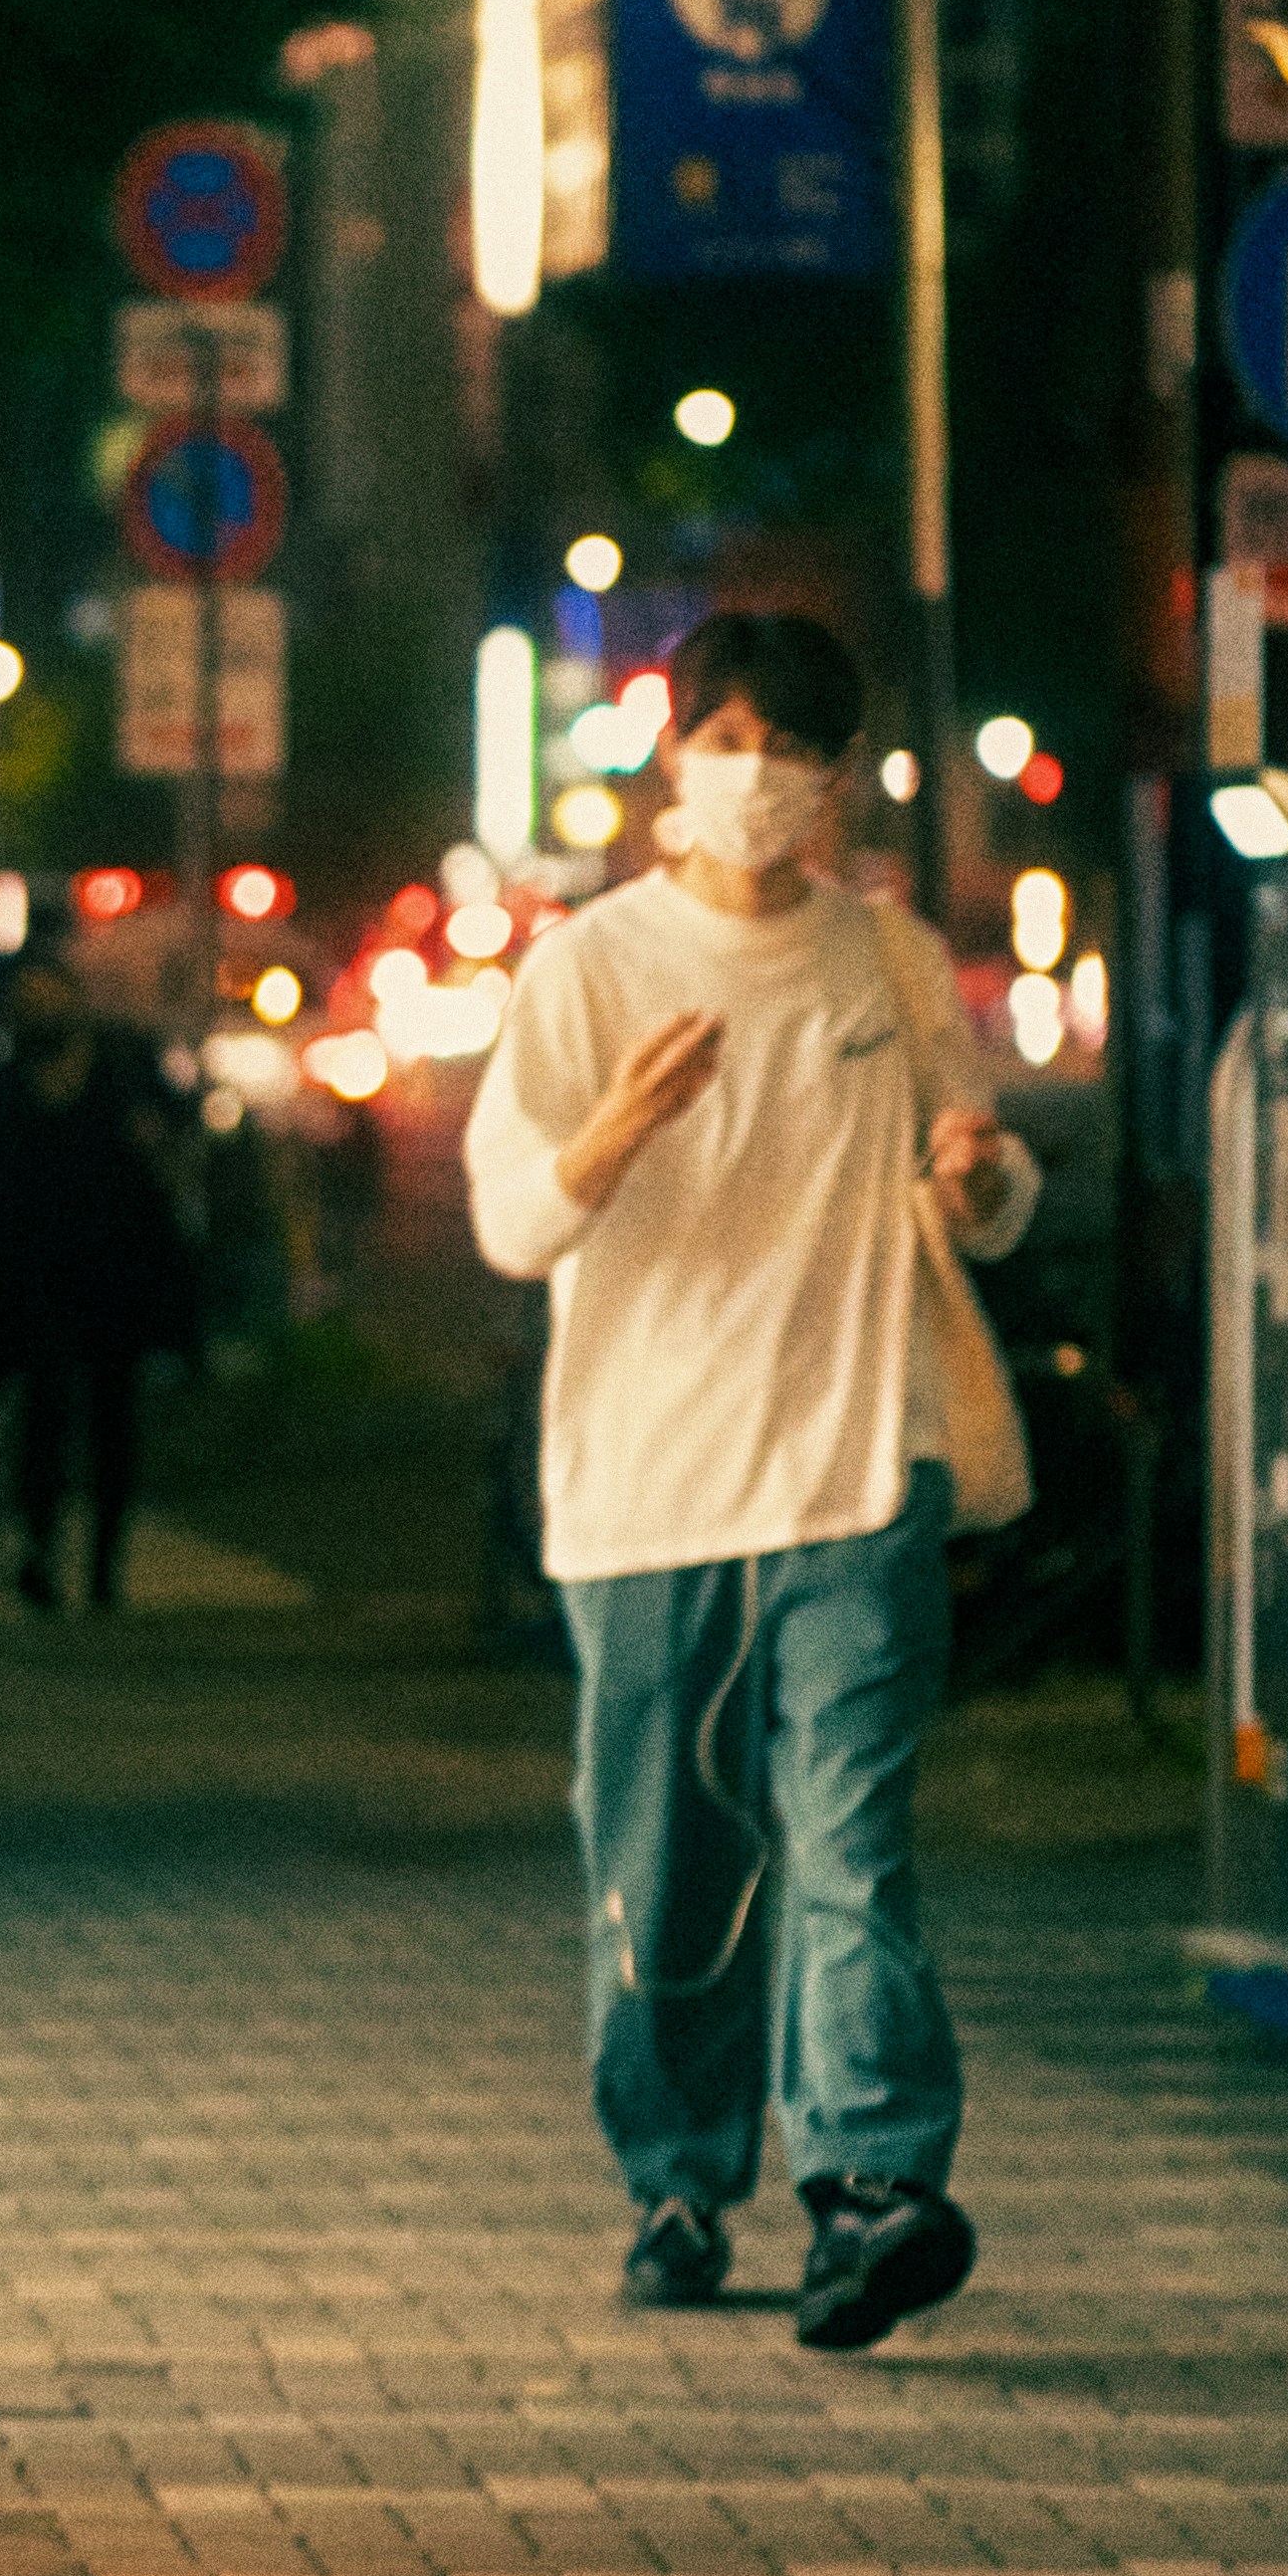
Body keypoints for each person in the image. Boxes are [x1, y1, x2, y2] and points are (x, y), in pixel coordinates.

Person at [463, 605, 1037, 2350]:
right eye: (733, 741)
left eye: (799, 751)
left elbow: (991, 1204)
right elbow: (512, 1221)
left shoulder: (890, 963)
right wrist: (619, 1127)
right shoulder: (592, 967)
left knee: (852, 1836)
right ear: (674, 754)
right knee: (665, 1850)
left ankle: (871, 2186)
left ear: (843, 781)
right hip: (646, 1484)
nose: (765, 781)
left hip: (865, 1463)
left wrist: (976, 1174)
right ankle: (678, 2174)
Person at [0, 943, 198, 1613]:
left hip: (117, 1267)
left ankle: (103, 1564)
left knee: (111, 1416)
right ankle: (41, 1548)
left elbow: (177, 1127)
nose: (39, 1016)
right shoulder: (6, 1085)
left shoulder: (122, 1065)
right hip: (37, 1272)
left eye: (48, 1001)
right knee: (41, 1414)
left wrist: (160, 1140)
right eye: (25, 1007)